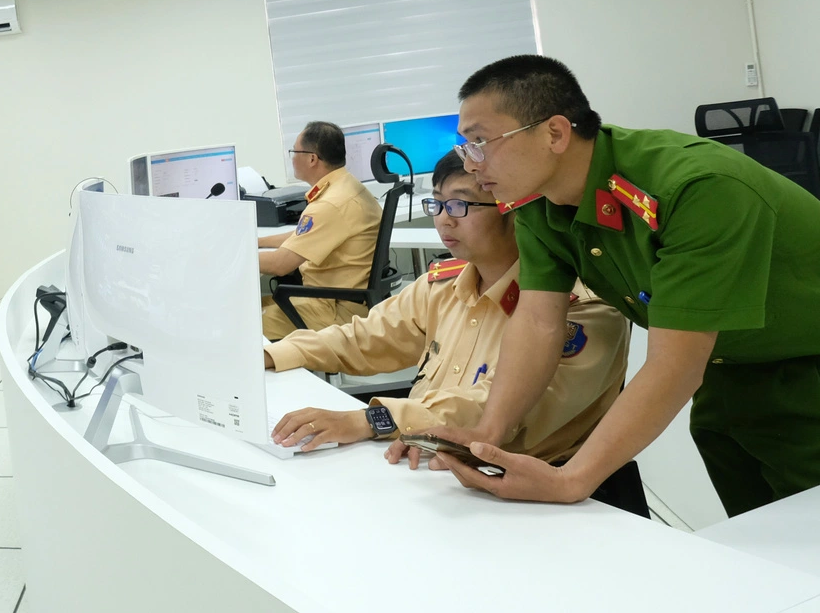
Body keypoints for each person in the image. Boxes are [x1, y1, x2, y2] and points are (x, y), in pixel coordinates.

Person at [422, 54, 820, 516]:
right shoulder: (535, 200)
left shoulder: (693, 187)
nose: (471, 163)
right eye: (466, 147)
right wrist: (488, 434)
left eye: (481, 143)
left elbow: (675, 361)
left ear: (554, 132)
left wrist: (574, 478)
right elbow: (536, 320)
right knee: (768, 555)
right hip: (730, 377)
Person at [264, 151, 645, 513]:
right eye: (438, 204)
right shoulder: (443, 286)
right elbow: (363, 337)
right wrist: (275, 353)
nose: (444, 219)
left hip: (542, 501)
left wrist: (376, 421)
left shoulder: (585, 309)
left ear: (518, 211)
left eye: (461, 204)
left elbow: (499, 410)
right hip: (438, 476)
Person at [258, 121, 381, 338]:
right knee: (249, 307)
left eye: (294, 152)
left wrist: (232, 255)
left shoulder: (329, 204)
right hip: (345, 302)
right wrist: (256, 242)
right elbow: (303, 236)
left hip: (331, 310)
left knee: (241, 321)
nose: (293, 158)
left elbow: (280, 265)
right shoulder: (347, 186)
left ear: (312, 158)